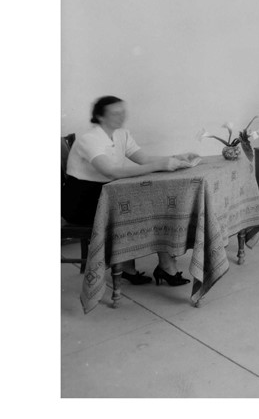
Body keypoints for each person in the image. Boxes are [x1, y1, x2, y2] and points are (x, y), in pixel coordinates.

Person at [62, 96, 197, 286]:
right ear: (100, 116)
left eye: (122, 112)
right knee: (143, 209)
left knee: (151, 205)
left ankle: (152, 265)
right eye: (115, 113)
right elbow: (111, 171)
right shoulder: (89, 139)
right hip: (81, 200)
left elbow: (143, 159)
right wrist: (161, 165)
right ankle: (153, 266)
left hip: (107, 193)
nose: (121, 117)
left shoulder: (122, 134)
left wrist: (176, 157)